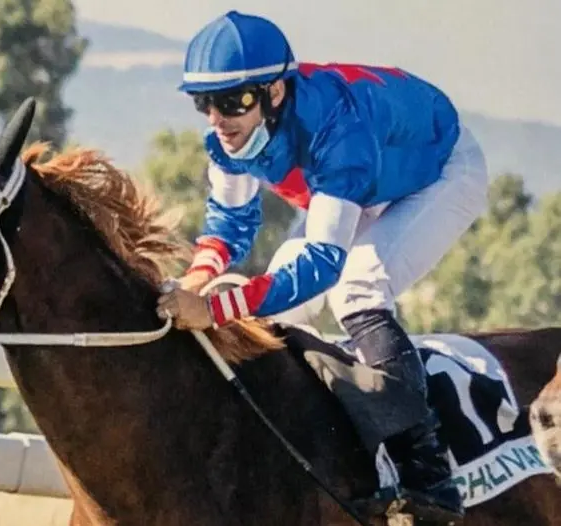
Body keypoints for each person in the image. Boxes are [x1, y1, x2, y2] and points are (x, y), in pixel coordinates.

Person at [155, 9, 489, 522]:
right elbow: (229, 226)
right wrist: (197, 280)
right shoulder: (228, 139)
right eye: (205, 103)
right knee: (285, 315)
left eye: (233, 101)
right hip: (367, 182)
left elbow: (323, 265)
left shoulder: (337, 126)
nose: (217, 119)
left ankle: (428, 479)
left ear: (276, 94)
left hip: (439, 173)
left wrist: (215, 309)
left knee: (358, 287)